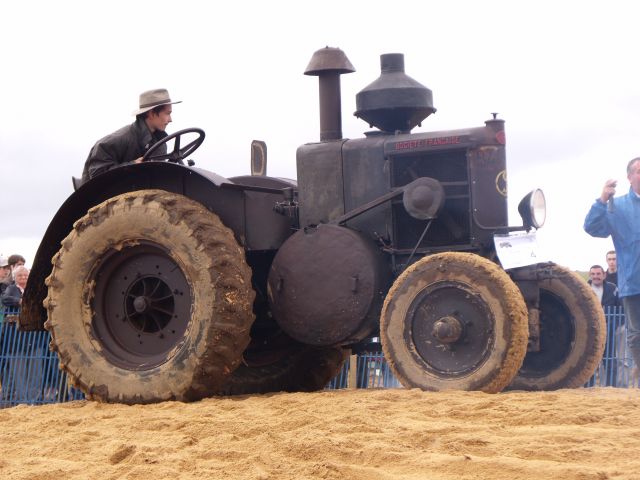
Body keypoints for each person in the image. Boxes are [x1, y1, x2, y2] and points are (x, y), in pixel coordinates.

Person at [584, 157, 640, 382]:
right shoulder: (617, 206)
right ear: (629, 177)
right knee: (636, 335)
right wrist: (602, 199)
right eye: (639, 171)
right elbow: (592, 227)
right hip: (633, 281)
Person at [81, 88, 181, 182]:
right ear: (151, 113)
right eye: (167, 113)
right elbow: (97, 174)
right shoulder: (118, 140)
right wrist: (131, 166)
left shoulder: (160, 144)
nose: (170, 119)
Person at [588, 265, 620, 386]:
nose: (596, 276)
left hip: (609, 330)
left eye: (598, 274)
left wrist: (616, 324)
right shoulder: (583, 288)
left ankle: (611, 387)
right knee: (589, 360)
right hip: (589, 332)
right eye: (593, 274)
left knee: (610, 360)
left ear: (604, 275)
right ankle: (588, 388)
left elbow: (620, 307)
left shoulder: (612, 288)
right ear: (590, 275)